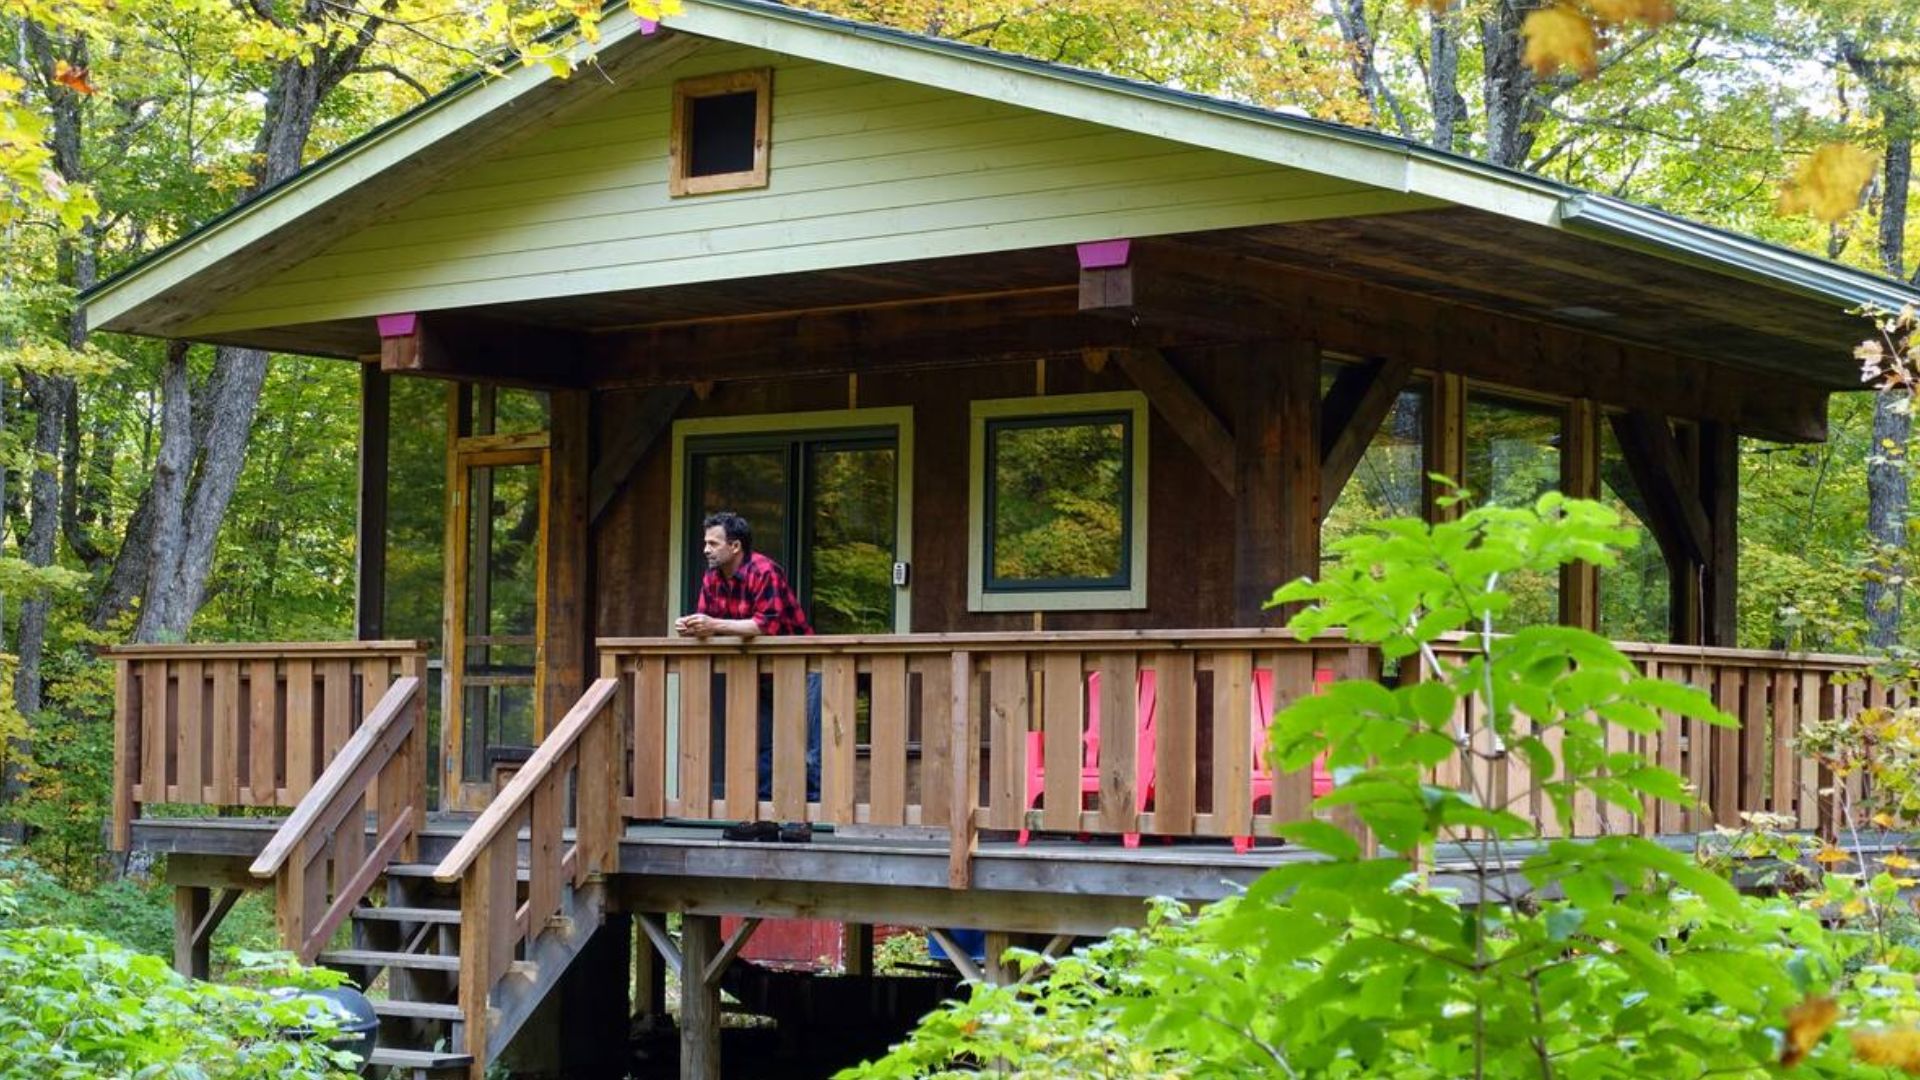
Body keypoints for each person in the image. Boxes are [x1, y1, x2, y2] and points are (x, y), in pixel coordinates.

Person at [674, 511, 822, 842]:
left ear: (735, 546)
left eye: (713, 543)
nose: (706, 550)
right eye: (705, 543)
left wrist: (712, 625)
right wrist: (693, 627)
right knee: (762, 744)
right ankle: (764, 818)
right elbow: (709, 622)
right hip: (758, 672)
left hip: (801, 665)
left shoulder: (764, 571)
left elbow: (764, 625)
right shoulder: (712, 579)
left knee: (804, 746)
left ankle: (801, 819)